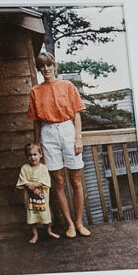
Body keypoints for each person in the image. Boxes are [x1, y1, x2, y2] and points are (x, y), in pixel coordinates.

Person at [28, 52, 91, 238]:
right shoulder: (35, 91)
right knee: (59, 181)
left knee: (76, 180)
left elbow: (77, 114)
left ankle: (79, 222)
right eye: (42, 66)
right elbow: (36, 122)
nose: (46, 69)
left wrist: (78, 138)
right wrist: (39, 144)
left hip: (67, 131)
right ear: (39, 69)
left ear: (54, 65)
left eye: (49, 65)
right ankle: (69, 224)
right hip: (48, 134)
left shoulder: (67, 85)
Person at [16, 142, 58, 243]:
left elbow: (45, 181)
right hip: (30, 198)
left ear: (40, 154)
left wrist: (35, 185)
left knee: (45, 214)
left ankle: (49, 231)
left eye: (35, 154)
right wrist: (29, 185)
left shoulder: (43, 168)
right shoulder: (25, 168)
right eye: (30, 155)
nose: (33, 157)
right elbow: (23, 180)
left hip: (41, 196)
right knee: (32, 214)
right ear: (26, 156)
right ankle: (35, 234)